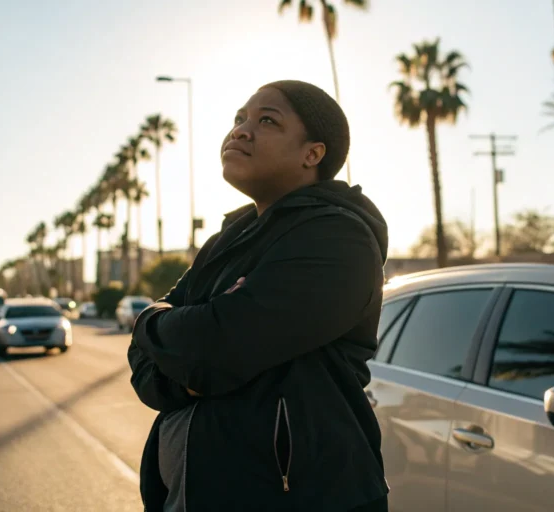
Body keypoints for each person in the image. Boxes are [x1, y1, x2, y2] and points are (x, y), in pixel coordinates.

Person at [128, 80, 390, 511]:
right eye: (239, 118)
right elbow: (144, 358)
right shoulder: (225, 241)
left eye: (267, 120)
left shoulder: (339, 238)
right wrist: (181, 373)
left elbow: (213, 347)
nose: (241, 130)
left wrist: (153, 325)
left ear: (312, 154)